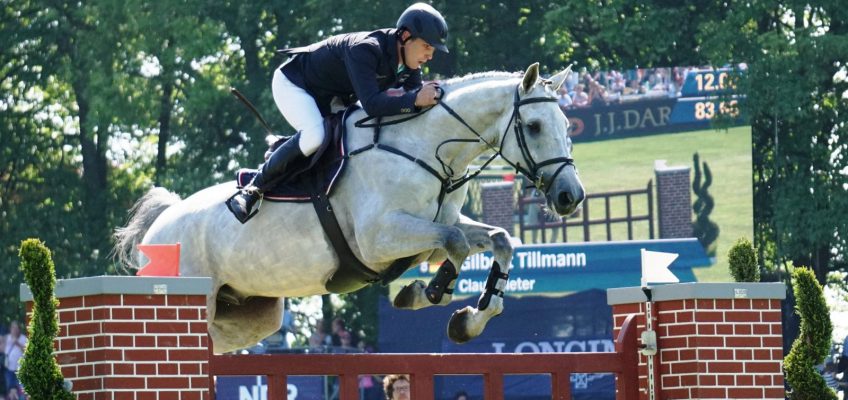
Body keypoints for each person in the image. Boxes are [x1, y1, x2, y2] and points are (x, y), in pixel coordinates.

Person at [227, 3, 449, 223]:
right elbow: (373, 105)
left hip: (330, 96)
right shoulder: (366, 48)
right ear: (406, 36)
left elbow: (413, 104)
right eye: (427, 46)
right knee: (316, 136)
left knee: (357, 135)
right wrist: (415, 99)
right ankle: (253, 189)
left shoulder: (409, 65)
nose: (430, 55)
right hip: (295, 84)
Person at [4, 322, 25, 399]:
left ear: (19, 329)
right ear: (10, 329)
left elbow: (27, 351)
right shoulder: (7, 337)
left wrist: (17, 343)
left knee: (21, 391)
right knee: (10, 391)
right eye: (13, 328)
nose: (14, 330)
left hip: (20, 370)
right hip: (9, 369)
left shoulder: (23, 338)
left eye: (16, 328)